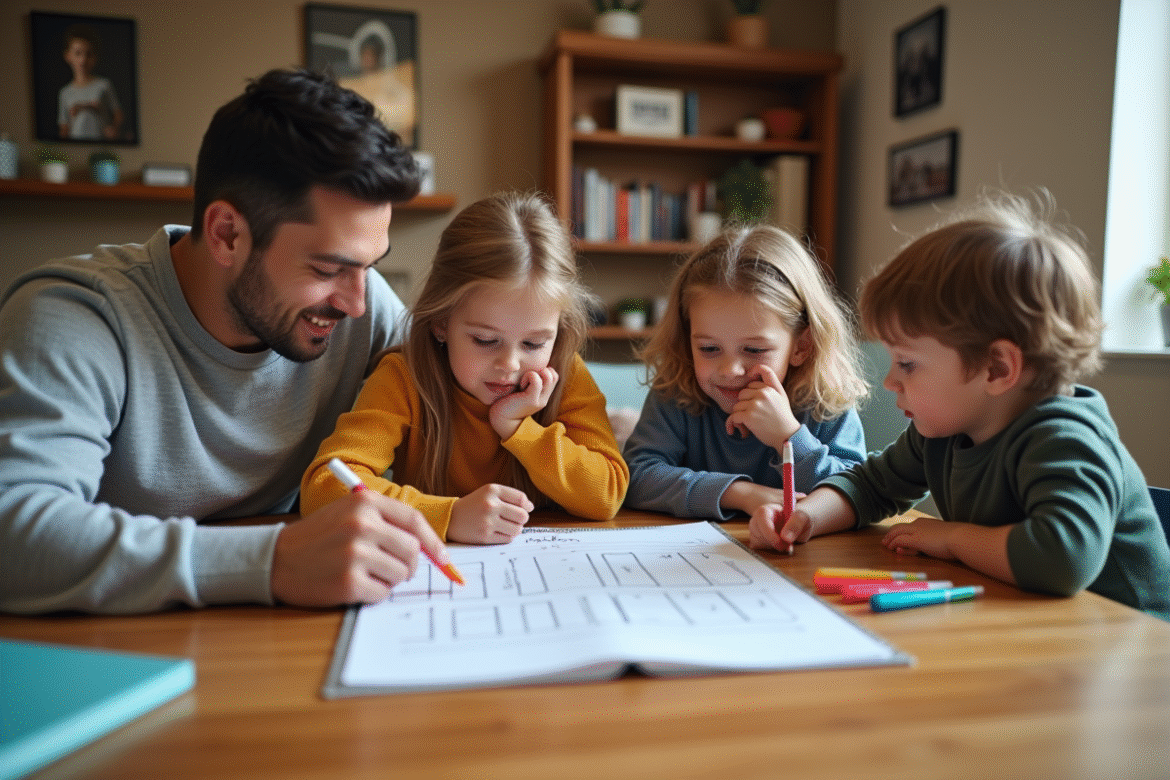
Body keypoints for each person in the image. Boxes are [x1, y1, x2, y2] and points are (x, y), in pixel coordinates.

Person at [0, 68, 454, 615]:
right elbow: (14, 532)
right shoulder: (75, 317)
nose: (357, 303)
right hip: (114, 655)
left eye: (370, 267)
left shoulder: (361, 306)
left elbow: (465, 396)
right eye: (328, 267)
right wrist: (273, 559)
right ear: (226, 234)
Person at [750, 191, 1170, 620]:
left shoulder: (1066, 439)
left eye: (908, 363)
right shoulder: (945, 429)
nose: (890, 380)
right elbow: (870, 487)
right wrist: (804, 517)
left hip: (1133, 646)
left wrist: (950, 538)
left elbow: (1062, 557)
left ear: (996, 368)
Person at [301, 192, 630, 543]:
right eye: (485, 341)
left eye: (534, 344)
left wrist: (519, 428)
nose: (510, 365)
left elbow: (606, 496)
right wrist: (447, 516)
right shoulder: (404, 377)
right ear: (442, 322)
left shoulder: (566, 373)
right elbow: (325, 486)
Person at [622, 225, 868, 520]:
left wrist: (787, 437)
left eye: (753, 350)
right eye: (709, 349)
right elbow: (636, 477)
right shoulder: (677, 390)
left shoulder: (824, 399)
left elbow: (859, 492)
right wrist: (741, 494)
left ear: (801, 346)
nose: (729, 370)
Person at [57, 24, 124, 141]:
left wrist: (114, 128)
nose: (83, 60)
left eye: (88, 54)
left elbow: (118, 113)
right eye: (78, 53)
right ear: (68, 56)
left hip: (102, 143)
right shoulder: (65, 92)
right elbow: (64, 126)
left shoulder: (104, 84)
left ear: (95, 57)